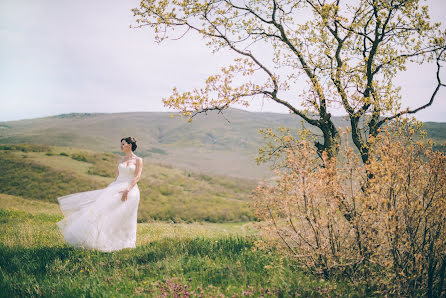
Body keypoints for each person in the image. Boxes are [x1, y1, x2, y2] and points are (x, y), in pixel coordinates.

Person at [56, 137, 143, 252]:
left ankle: (126, 243)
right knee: (105, 212)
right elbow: (117, 178)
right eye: (121, 144)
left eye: (123, 144)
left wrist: (127, 190)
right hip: (117, 187)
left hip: (131, 190)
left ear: (130, 145)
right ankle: (103, 240)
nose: (121, 146)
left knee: (126, 216)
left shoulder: (138, 160)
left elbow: (137, 177)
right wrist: (109, 190)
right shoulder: (120, 160)